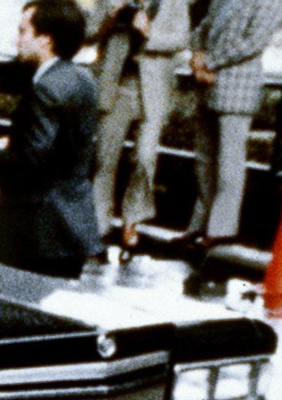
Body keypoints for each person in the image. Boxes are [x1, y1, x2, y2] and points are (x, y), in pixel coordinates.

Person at [0, 0, 99, 279]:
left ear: (45, 40)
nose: (17, 39)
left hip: (32, 233)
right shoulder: (84, 80)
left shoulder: (45, 90)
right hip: (73, 227)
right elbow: (82, 154)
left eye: (24, 31)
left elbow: (34, 160)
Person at [188, 0, 282, 248]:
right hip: (207, 81)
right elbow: (205, 25)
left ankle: (221, 229)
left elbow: (254, 41)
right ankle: (200, 225)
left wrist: (210, 61)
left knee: (230, 163)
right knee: (204, 160)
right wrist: (197, 54)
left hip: (238, 85)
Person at [90, 0, 189, 251]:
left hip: (153, 88)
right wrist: (110, 18)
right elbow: (89, 32)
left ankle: (131, 219)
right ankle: (99, 224)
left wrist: (149, 34)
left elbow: (181, 38)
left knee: (145, 158)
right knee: (105, 157)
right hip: (116, 84)